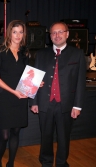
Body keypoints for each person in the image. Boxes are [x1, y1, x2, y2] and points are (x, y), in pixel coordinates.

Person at [30, 21, 86, 167]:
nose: (57, 35)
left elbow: (81, 81)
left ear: (67, 34)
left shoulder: (77, 54)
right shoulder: (41, 54)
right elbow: (34, 79)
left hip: (66, 104)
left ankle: (62, 163)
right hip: (44, 103)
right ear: (50, 36)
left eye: (60, 32)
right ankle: (46, 162)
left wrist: (77, 106)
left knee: (64, 137)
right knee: (46, 136)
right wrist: (34, 102)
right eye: (54, 33)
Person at [0, 20, 29, 167]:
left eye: (21, 32)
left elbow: (28, 75)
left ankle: (11, 163)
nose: (18, 35)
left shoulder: (25, 52)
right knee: (5, 135)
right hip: (7, 98)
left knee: (15, 133)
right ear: (9, 33)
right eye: (15, 32)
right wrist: (14, 91)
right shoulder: (0, 51)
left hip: (21, 98)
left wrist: (36, 83)